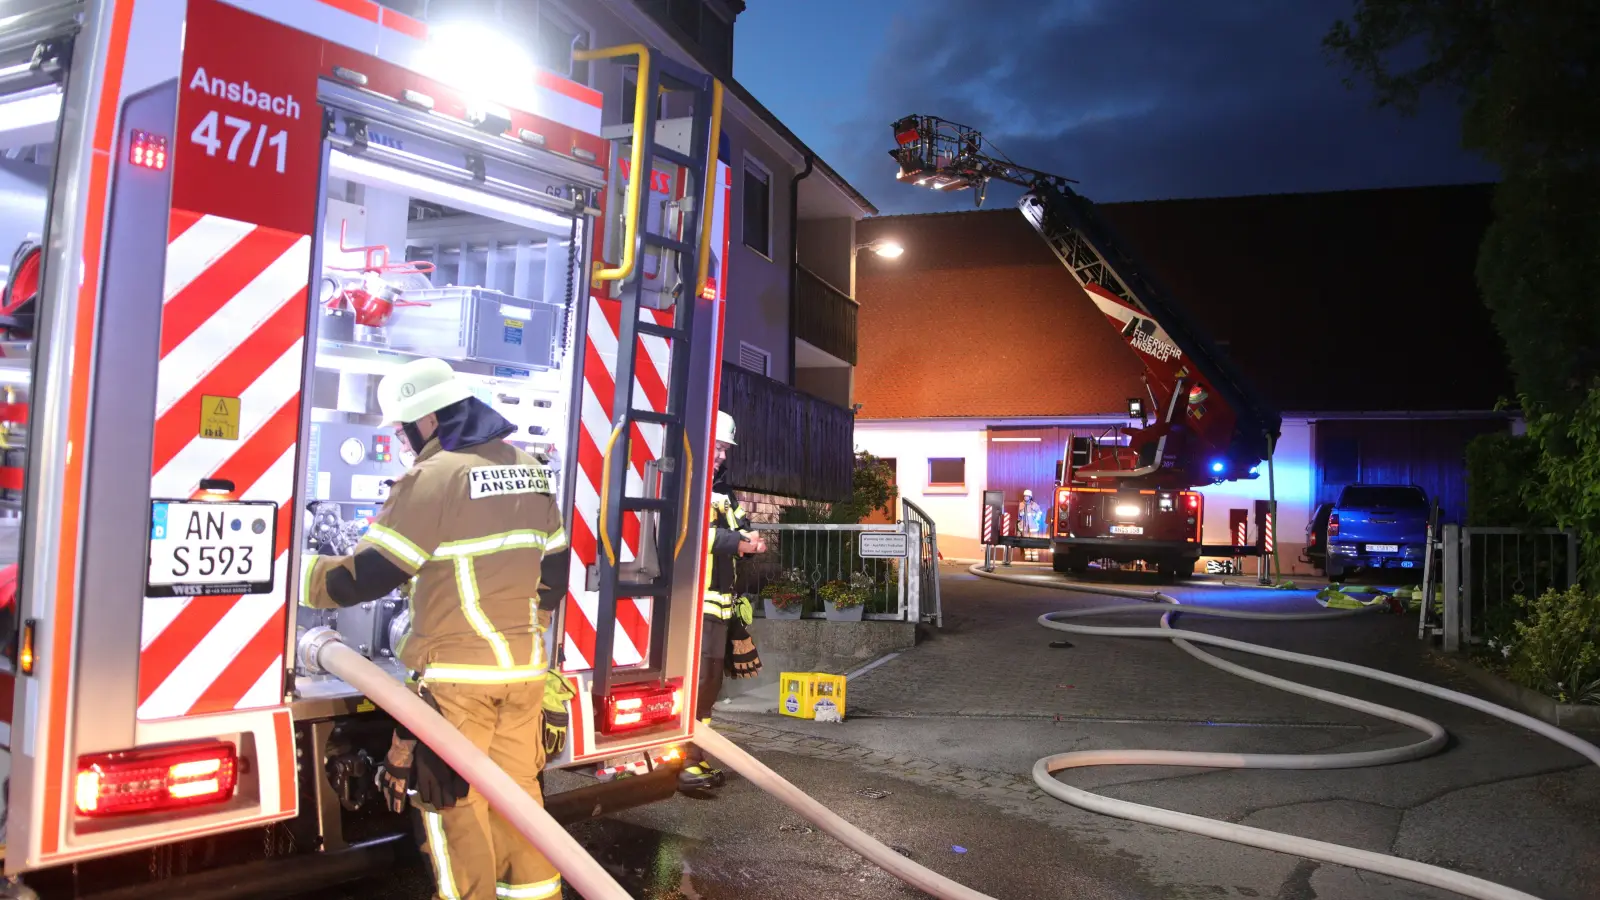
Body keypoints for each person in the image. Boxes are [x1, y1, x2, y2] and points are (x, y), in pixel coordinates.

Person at [300, 357, 567, 900]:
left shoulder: (433, 477)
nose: (401, 441)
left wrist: (296, 573)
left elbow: (363, 576)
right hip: (523, 674)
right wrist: (518, 635)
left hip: (457, 683)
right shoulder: (530, 468)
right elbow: (554, 574)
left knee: (455, 805)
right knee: (518, 796)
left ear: (428, 421)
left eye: (402, 430)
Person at [679, 410, 764, 791]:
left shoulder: (723, 492)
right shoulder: (686, 483)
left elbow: (740, 526)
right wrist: (738, 543)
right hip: (698, 603)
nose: (722, 456)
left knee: (710, 684)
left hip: (721, 604)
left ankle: (692, 756)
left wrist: (753, 539)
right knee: (701, 682)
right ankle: (687, 760)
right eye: (717, 447)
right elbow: (690, 533)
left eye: (725, 449)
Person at [1019, 489, 1046, 561]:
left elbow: (1039, 513)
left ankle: (1035, 558)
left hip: (1033, 527)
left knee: (1034, 542)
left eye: (1027, 496)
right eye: (1025, 496)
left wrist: (1036, 520)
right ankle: (1027, 557)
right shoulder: (1020, 505)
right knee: (1025, 542)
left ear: (1030, 497)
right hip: (1024, 527)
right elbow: (1017, 516)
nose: (1025, 497)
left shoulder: (1034, 505)